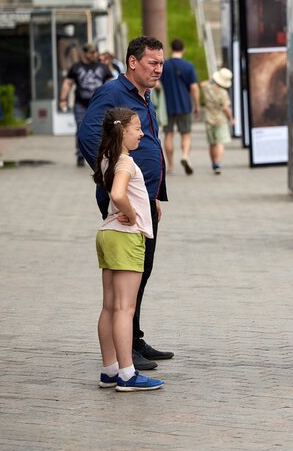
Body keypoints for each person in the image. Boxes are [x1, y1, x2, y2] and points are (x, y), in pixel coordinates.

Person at [78, 35, 172, 371]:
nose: (158, 69)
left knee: (141, 272)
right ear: (133, 62)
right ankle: (126, 349)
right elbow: (89, 134)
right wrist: (113, 177)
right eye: (152, 62)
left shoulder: (145, 97)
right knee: (128, 275)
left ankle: (134, 337)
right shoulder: (112, 93)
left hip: (144, 200)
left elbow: (151, 146)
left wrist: (154, 196)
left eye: (161, 63)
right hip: (125, 205)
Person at [92, 106, 164, 392]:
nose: (142, 134)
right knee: (125, 308)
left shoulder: (107, 159)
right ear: (123, 132)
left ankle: (110, 369)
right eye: (137, 129)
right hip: (126, 237)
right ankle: (127, 373)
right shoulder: (124, 162)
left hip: (108, 235)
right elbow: (119, 194)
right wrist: (133, 214)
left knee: (110, 306)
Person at [59, 43, 109, 167]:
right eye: (91, 52)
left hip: (98, 104)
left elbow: (111, 82)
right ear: (85, 53)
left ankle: (99, 154)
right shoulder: (76, 67)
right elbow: (67, 83)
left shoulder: (102, 67)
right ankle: (80, 155)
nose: (93, 55)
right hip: (81, 103)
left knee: (100, 129)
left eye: (95, 52)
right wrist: (63, 99)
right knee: (81, 128)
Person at [159, 38, 200, 175]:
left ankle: (170, 164)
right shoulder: (188, 66)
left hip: (168, 106)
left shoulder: (165, 65)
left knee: (168, 134)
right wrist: (197, 105)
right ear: (183, 50)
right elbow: (194, 88)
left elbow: (157, 84)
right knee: (186, 134)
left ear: (171, 49)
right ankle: (185, 156)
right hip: (184, 104)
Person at [200, 68, 235, 174]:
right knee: (220, 143)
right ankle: (218, 163)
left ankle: (213, 162)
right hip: (220, 120)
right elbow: (225, 108)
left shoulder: (207, 88)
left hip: (209, 119)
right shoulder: (223, 93)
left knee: (212, 143)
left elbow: (201, 84)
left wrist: (212, 80)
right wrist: (231, 119)